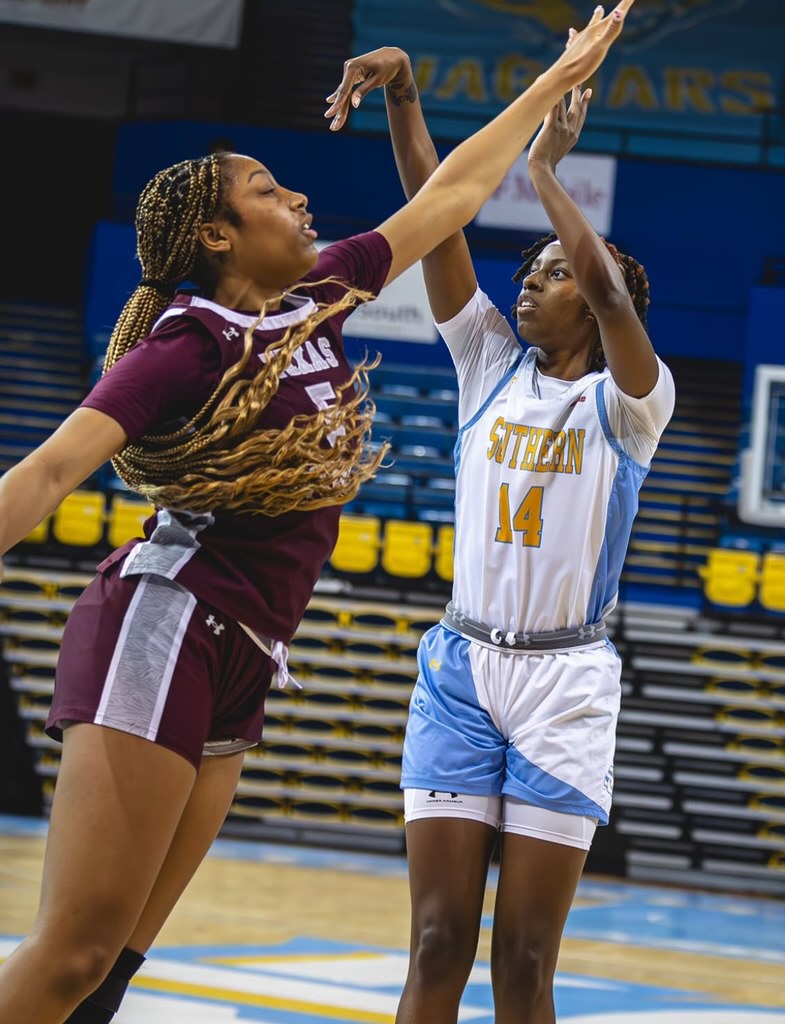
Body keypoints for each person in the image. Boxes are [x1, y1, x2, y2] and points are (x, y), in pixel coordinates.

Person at [0, 7, 636, 1023]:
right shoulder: (188, 345)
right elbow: (45, 473)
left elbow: (452, 194)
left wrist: (556, 77)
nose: (296, 197)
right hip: (166, 621)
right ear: (216, 236)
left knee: (114, 964)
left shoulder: (321, 292)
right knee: (73, 952)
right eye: (266, 189)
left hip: (247, 643)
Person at [324, 18, 672, 1024]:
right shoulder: (487, 365)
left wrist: (546, 171)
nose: (530, 281)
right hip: (461, 669)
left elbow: (608, 289)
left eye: (552, 273)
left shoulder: (632, 402)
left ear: (599, 304)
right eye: (530, 270)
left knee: (522, 961)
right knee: (437, 942)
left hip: (564, 685)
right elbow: (438, 217)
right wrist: (403, 94)